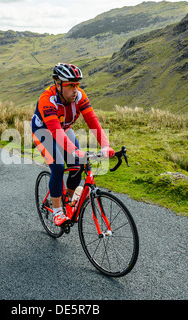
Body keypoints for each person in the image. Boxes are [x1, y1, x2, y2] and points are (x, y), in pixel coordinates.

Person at [31, 63, 115, 226]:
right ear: (58, 84)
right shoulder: (47, 100)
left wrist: (105, 145)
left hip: (64, 128)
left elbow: (92, 121)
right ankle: (57, 212)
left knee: (78, 166)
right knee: (58, 166)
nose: (75, 89)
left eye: (77, 84)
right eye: (70, 85)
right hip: (44, 131)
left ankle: (68, 200)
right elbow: (55, 132)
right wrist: (75, 150)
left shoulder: (80, 96)